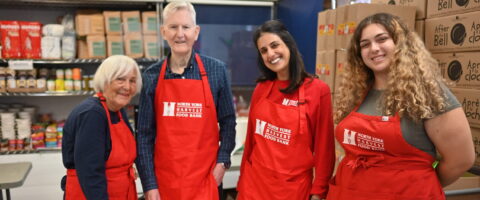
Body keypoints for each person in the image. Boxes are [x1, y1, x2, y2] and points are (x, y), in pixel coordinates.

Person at [327, 13, 475, 200]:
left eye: (382, 39)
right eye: (365, 44)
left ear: (401, 43)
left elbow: (461, 160)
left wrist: (419, 182)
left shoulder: (427, 94)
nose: (374, 48)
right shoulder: (356, 92)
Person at [135, 1, 236, 200]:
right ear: (164, 32)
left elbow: (228, 122)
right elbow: (144, 136)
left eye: (186, 27)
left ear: (196, 32)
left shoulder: (217, 70)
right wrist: (149, 185)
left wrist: (222, 163)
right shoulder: (151, 76)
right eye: (173, 27)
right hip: (164, 185)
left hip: (206, 181)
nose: (180, 34)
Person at [236, 20, 335, 200]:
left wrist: (318, 192)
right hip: (254, 186)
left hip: (293, 190)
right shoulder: (261, 89)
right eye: (264, 51)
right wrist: (241, 183)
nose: (270, 54)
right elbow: (250, 142)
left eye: (275, 45)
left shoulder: (318, 90)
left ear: (288, 44)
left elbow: (324, 150)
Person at [61, 55, 142, 200]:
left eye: (132, 81)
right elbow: (90, 173)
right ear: (105, 81)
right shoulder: (92, 114)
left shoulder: (117, 108)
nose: (127, 87)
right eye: (120, 79)